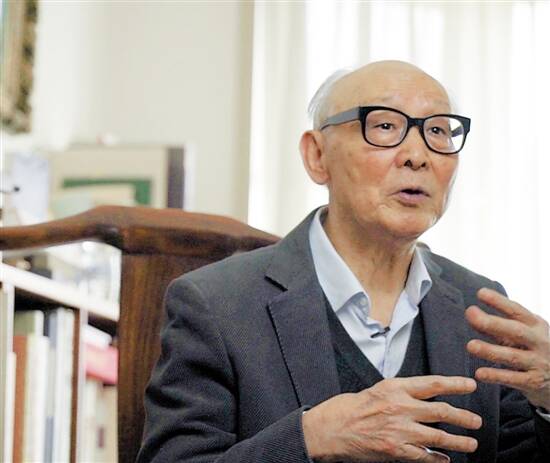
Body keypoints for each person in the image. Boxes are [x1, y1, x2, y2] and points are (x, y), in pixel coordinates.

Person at [137, 61, 550, 463]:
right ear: (317, 155)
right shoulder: (217, 304)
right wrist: (312, 438)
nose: (417, 155)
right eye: (385, 126)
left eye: (438, 131)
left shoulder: (481, 307)